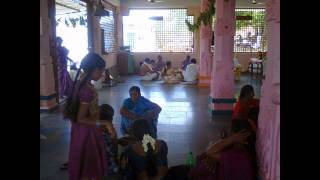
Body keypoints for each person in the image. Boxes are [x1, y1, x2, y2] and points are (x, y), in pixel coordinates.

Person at [64, 52, 116, 180]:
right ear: (94, 69)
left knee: (85, 162)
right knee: (89, 163)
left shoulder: (80, 83)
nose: (102, 74)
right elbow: (81, 117)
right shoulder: (86, 90)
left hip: (80, 130)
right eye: (101, 71)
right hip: (86, 132)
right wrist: (105, 123)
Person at [188, 119, 256, 180]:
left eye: (230, 130)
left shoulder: (240, 157)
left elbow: (209, 152)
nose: (228, 132)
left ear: (237, 136)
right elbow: (208, 154)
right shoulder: (235, 148)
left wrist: (231, 139)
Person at [99, 104, 119, 178]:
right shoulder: (106, 133)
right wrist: (115, 138)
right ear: (110, 119)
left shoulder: (92, 129)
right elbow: (114, 151)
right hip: (108, 168)